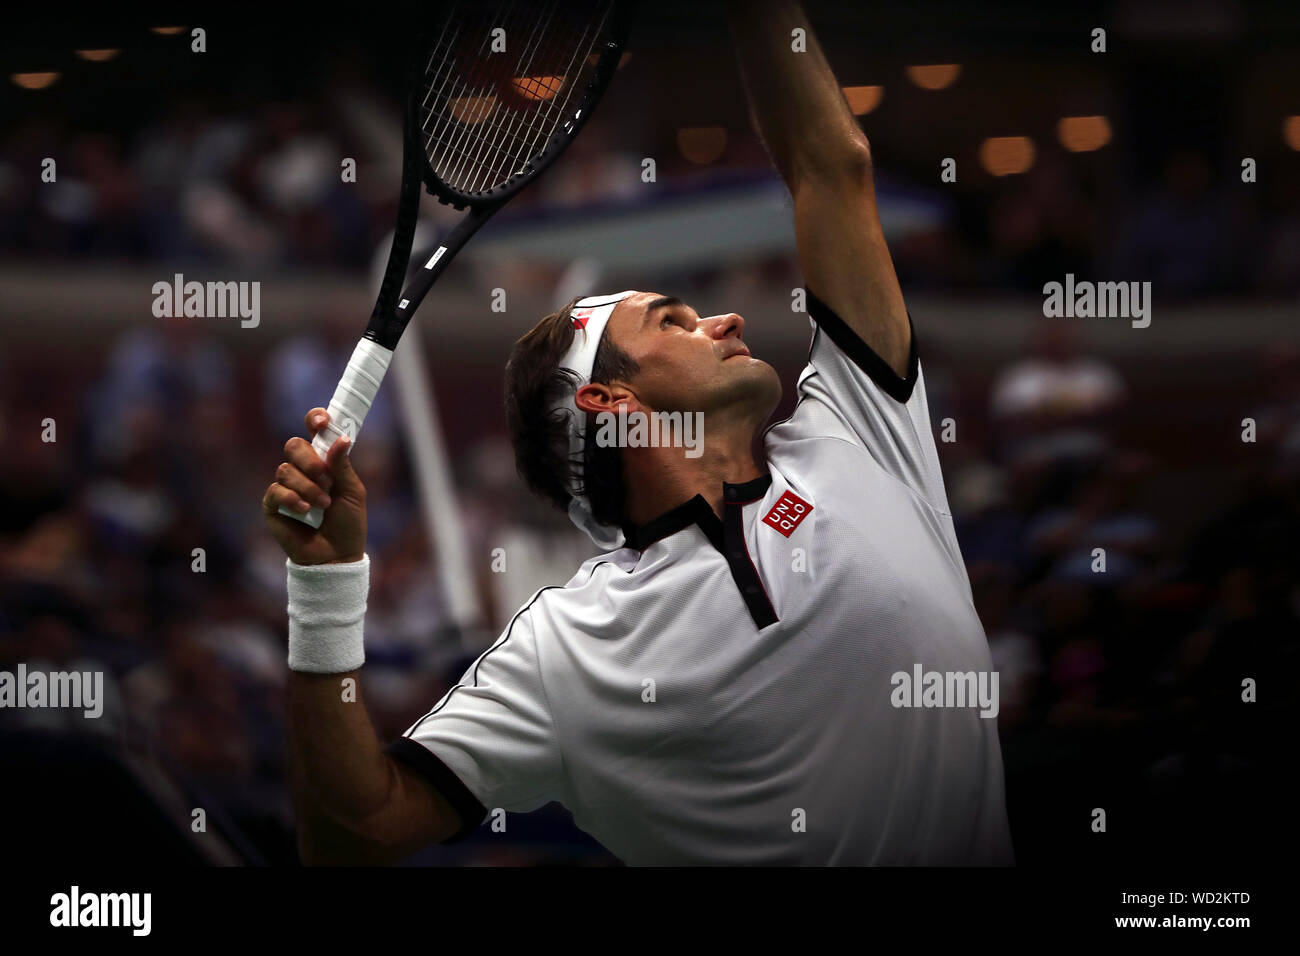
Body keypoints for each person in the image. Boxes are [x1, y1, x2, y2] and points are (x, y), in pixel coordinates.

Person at [263, 0, 1014, 865]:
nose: (725, 320)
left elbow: (831, 165)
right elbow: (350, 834)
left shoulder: (861, 428)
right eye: (675, 323)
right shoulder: (568, 646)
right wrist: (324, 590)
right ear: (608, 403)